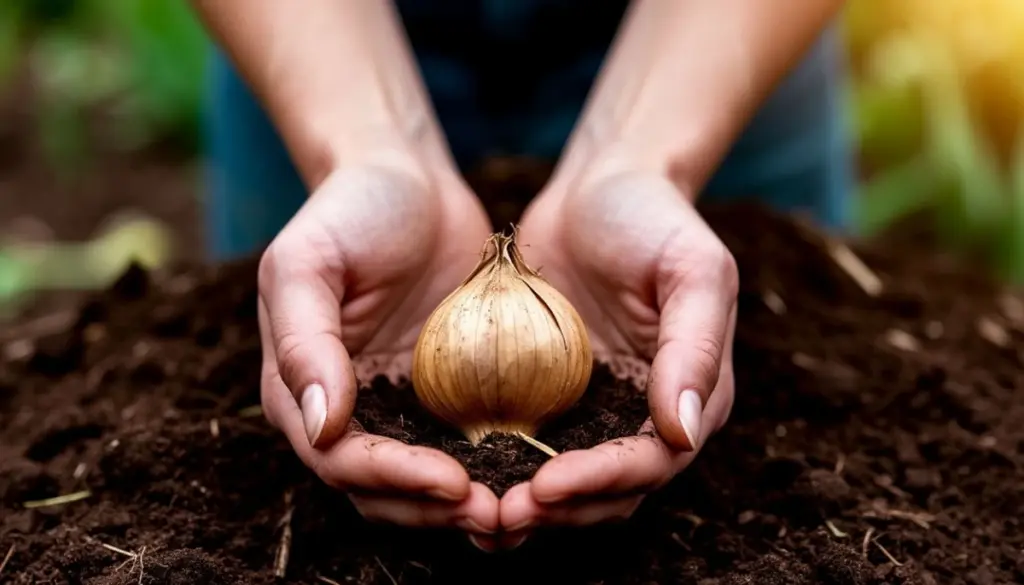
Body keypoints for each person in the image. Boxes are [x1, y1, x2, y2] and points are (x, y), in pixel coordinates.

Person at [190, 0, 852, 552]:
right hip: (313, 42)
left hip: (716, 42)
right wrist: (366, 147)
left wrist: (643, 159)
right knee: (309, 314)